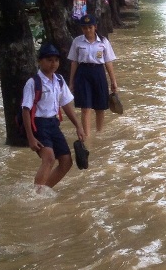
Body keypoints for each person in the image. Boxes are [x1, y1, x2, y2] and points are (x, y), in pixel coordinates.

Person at [22, 43, 85, 189]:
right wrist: (31, 138)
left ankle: (43, 190)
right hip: (38, 124)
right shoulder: (33, 83)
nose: (53, 63)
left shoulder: (59, 80)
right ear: (40, 61)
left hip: (53, 124)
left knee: (66, 161)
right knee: (49, 159)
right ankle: (36, 196)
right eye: (49, 60)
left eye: (56, 60)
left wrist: (78, 126)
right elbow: (26, 110)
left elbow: (66, 105)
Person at [68, 14, 118, 137]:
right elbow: (74, 62)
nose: (88, 30)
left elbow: (108, 62)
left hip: (99, 73)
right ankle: (87, 138)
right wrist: (71, 82)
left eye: (90, 27)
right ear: (82, 28)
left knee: (100, 107)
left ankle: (99, 134)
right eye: (85, 28)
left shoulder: (104, 41)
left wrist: (113, 81)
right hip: (83, 74)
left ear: (95, 27)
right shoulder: (77, 41)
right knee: (85, 107)